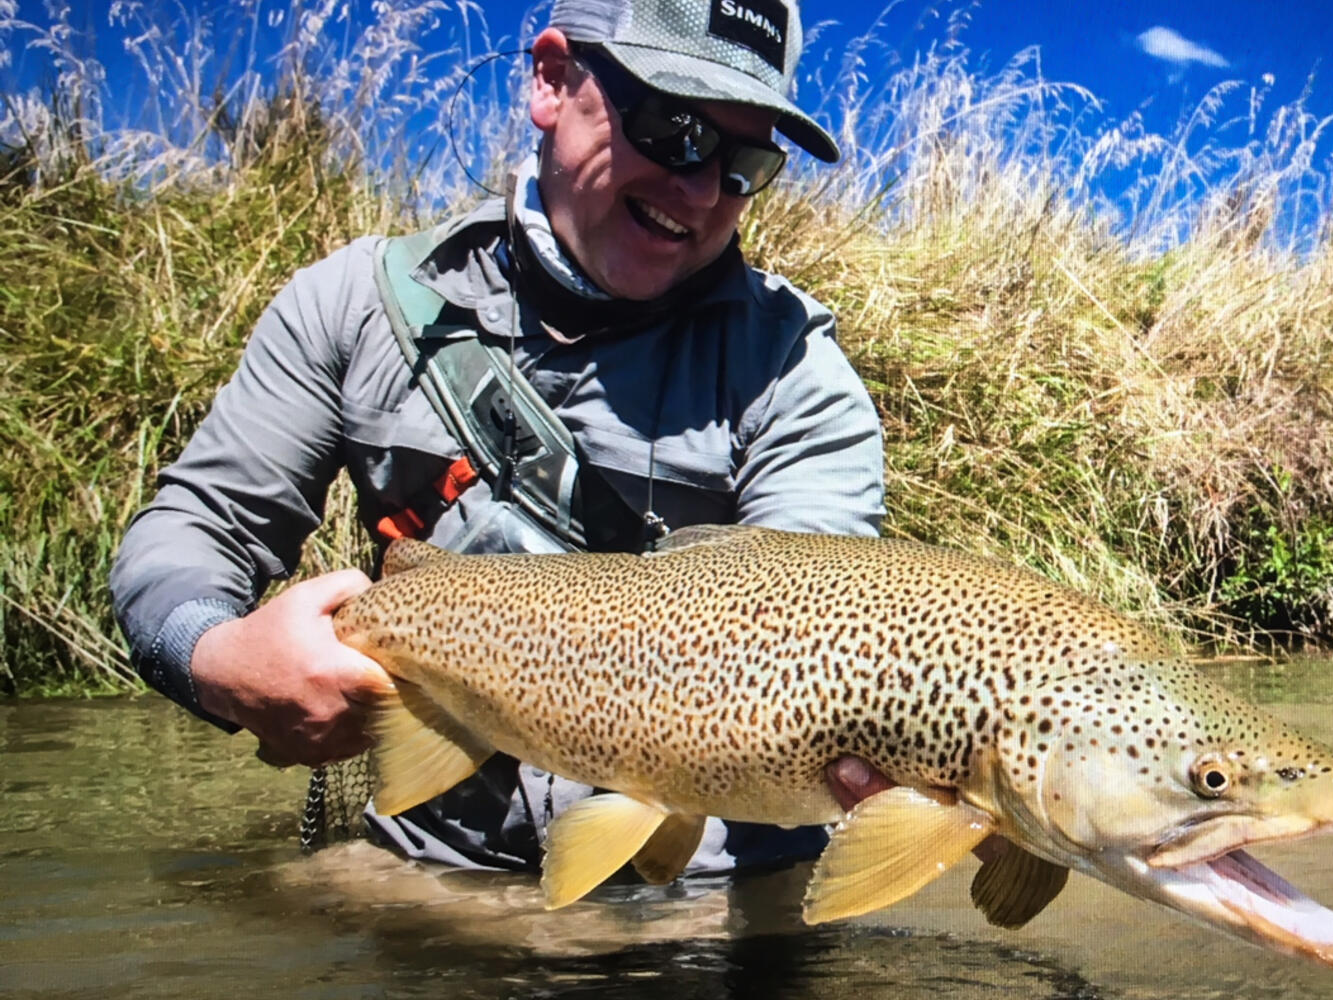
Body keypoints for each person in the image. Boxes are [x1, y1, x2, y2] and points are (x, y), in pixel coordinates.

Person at [111, 0, 898, 875]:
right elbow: (184, 540)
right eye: (674, 128)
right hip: (430, 892)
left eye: (745, 161)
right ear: (554, 79)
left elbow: (814, 623)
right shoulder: (353, 307)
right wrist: (214, 657)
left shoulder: (793, 370)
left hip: (716, 920)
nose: (703, 188)